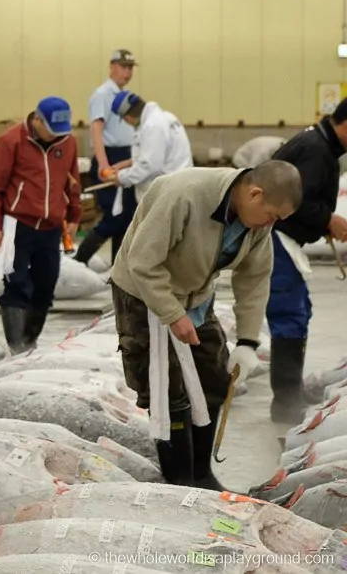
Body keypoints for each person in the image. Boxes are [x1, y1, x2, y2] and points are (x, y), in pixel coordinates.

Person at [110, 161, 302, 490]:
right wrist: (172, 315)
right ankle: (180, 480)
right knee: (167, 390)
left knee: (214, 379)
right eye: (272, 215)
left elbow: (254, 280)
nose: (271, 224)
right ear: (255, 194)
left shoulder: (258, 224)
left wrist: (247, 341)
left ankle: (202, 475)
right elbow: (142, 261)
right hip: (143, 295)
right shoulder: (183, 195)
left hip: (196, 298)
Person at [267, 104, 347, 423]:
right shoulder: (318, 151)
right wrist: (329, 219)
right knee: (290, 315)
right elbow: (293, 203)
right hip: (276, 238)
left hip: (282, 238)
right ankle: (285, 404)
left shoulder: (318, 143)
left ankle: (291, 393)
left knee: (300, 311)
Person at [0, 97, 82, 355]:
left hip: (50, 227)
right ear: (37, 120)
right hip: (17, 224)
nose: (55, 136)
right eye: (50, 130)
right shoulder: (10, 142)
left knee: (46, 285)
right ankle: (18, 348)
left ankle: (30, 341)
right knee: (15, 284)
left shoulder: (67, 142)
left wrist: (74, 216)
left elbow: (72, 182)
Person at [73, 49, 138, 267]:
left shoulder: (126, 96)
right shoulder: (102, 95)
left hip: (125, 156)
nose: (127, 72)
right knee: (115, 217)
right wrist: (103, 165)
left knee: (127, 217)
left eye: (130, 68)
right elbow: (97, 130)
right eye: (123, 67)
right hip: (109, 157)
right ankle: (80, 260)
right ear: (112, 67)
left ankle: (118, 269)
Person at [104, 91, 193, 201]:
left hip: (168, 196)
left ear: (127, 118)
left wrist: (121, 177)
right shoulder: (167, 117)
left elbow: (149, 166)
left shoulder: (152, 126)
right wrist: (128, 163)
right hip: (181, 187)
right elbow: (161, 154)